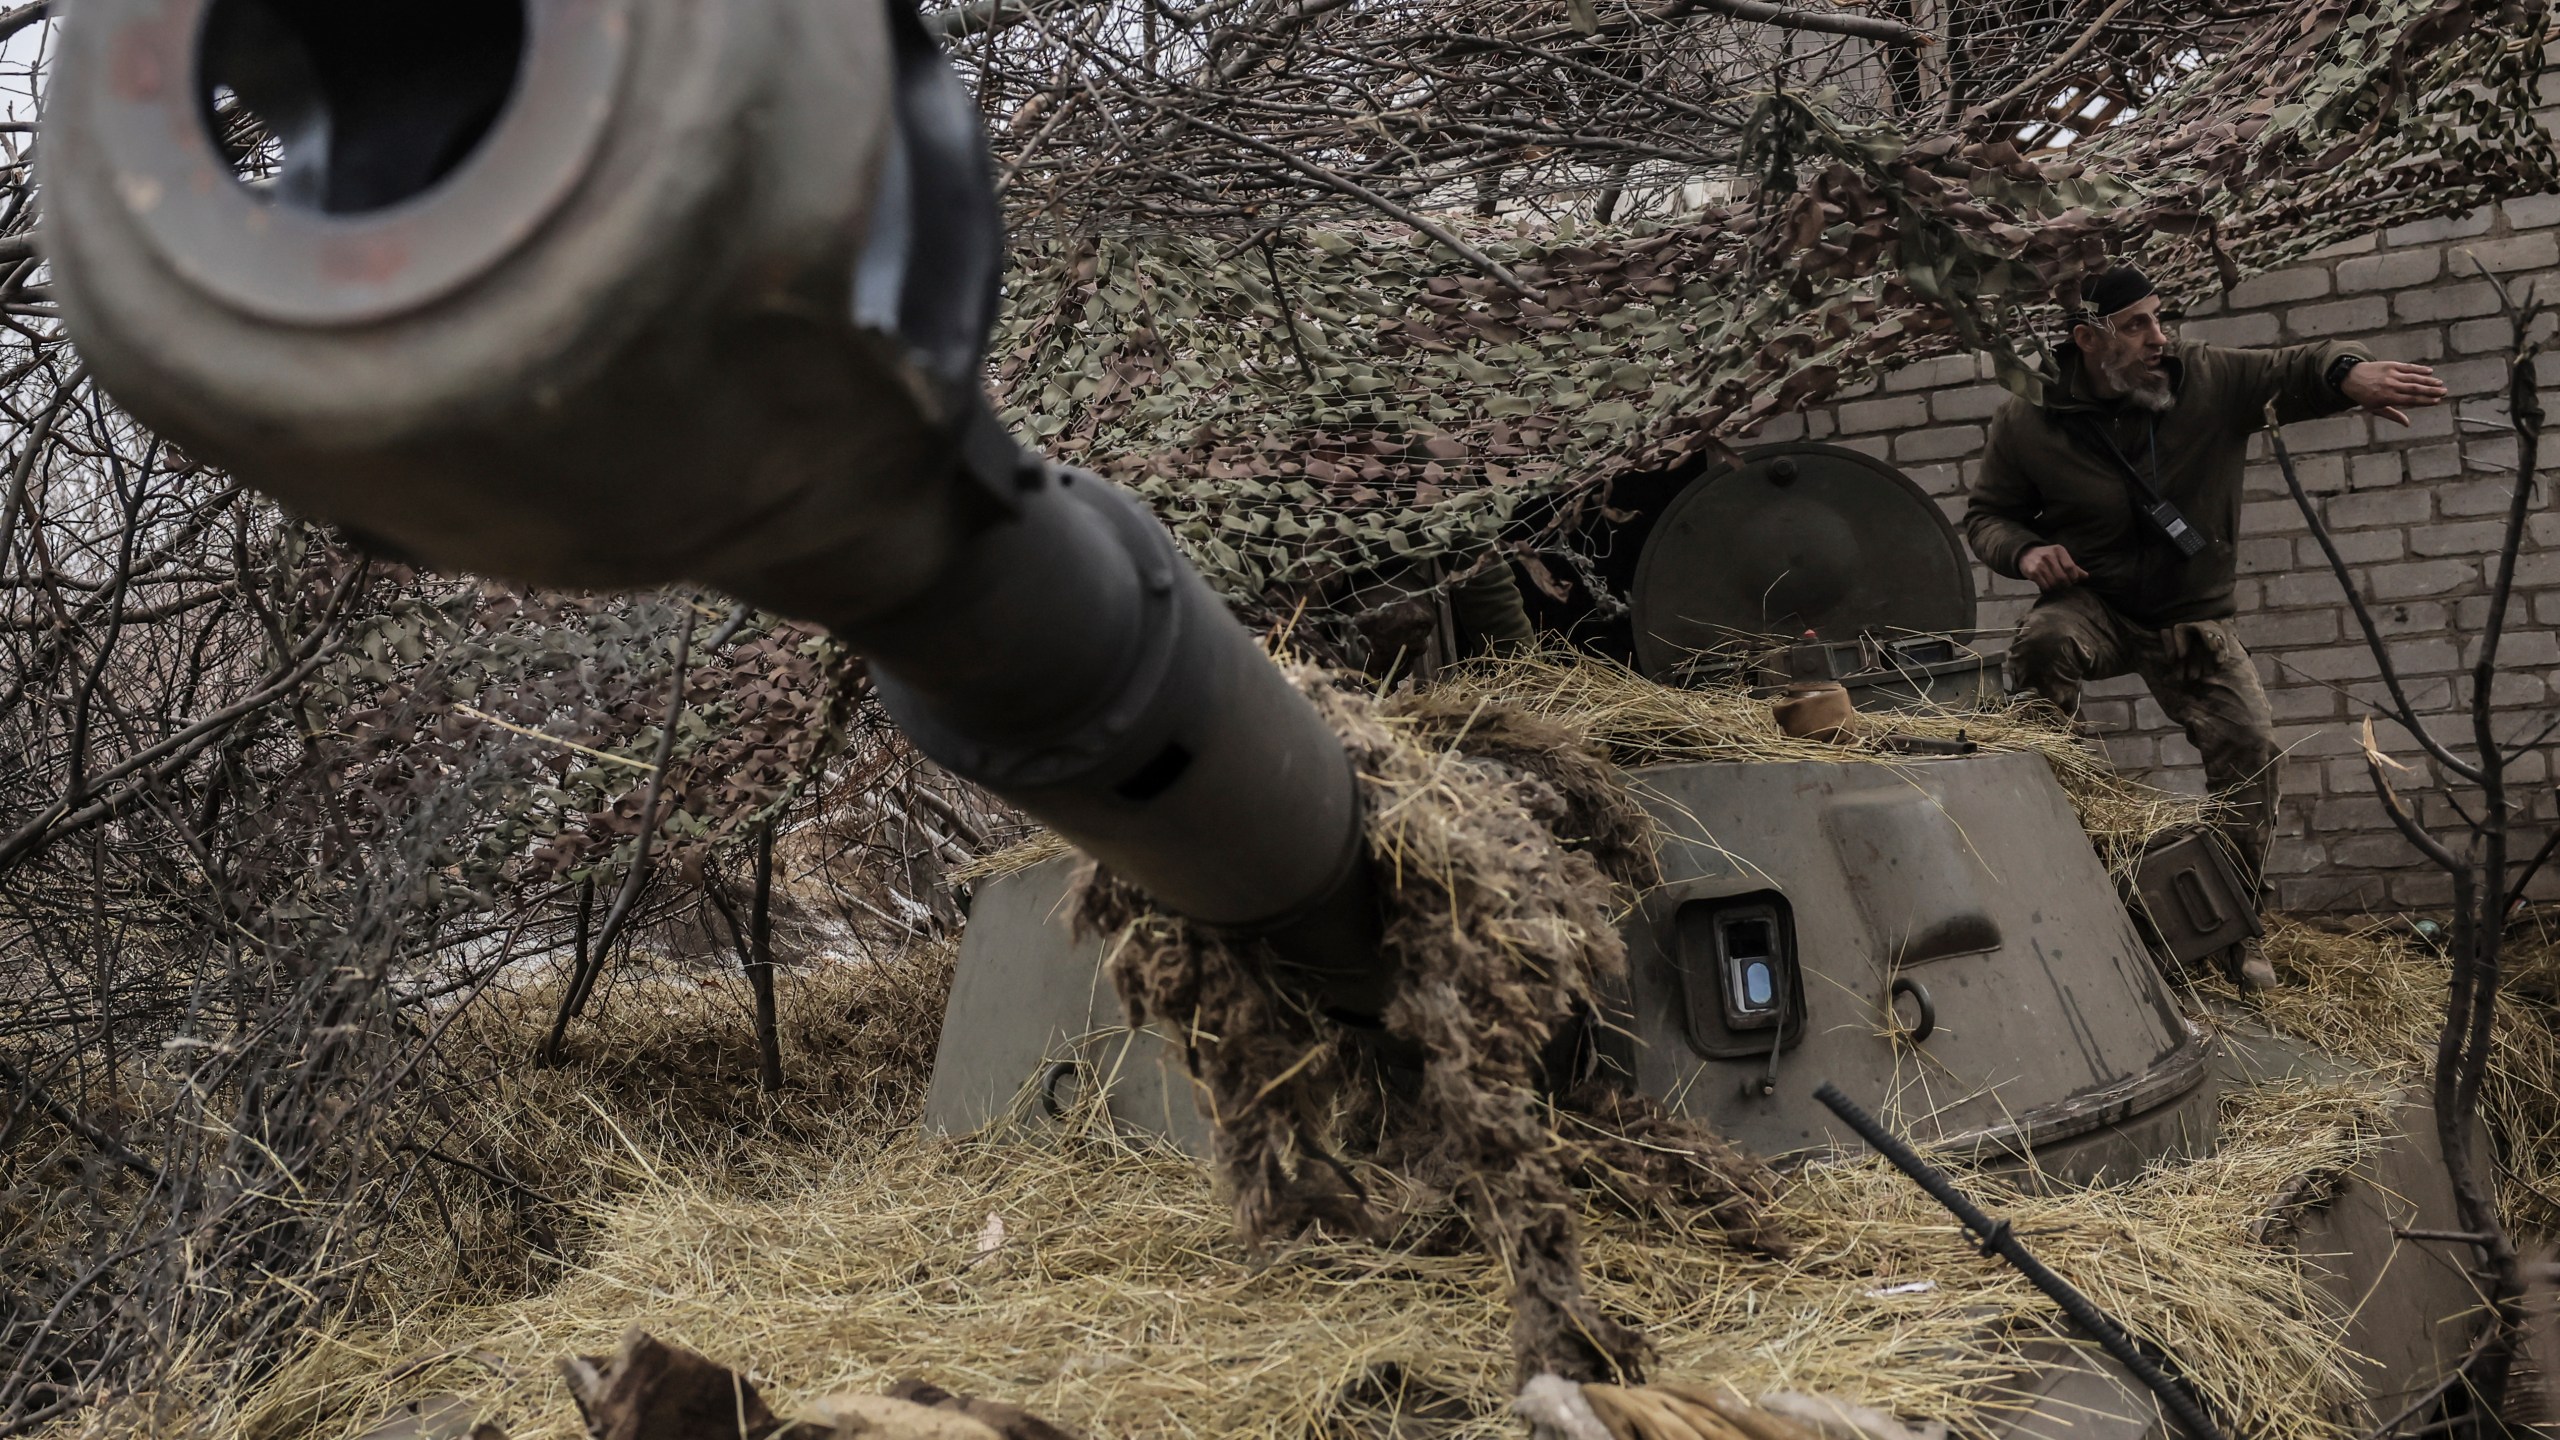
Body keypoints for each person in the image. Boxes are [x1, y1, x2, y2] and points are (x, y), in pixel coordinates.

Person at [1963, 264, 2446, 990]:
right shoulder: (2029, 419)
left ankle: (2236, 927)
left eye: (2161, 319)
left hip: (2191, 619)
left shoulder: (2208, 380)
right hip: (2095, 604)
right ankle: (2073, 819)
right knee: (2041, 643)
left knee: (2251, 750)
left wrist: (2349, 374)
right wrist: (2025, 551)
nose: (2160, 336)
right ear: (2088, 338)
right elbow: (1985, 517)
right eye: (2136, 325)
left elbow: (2296, 366)